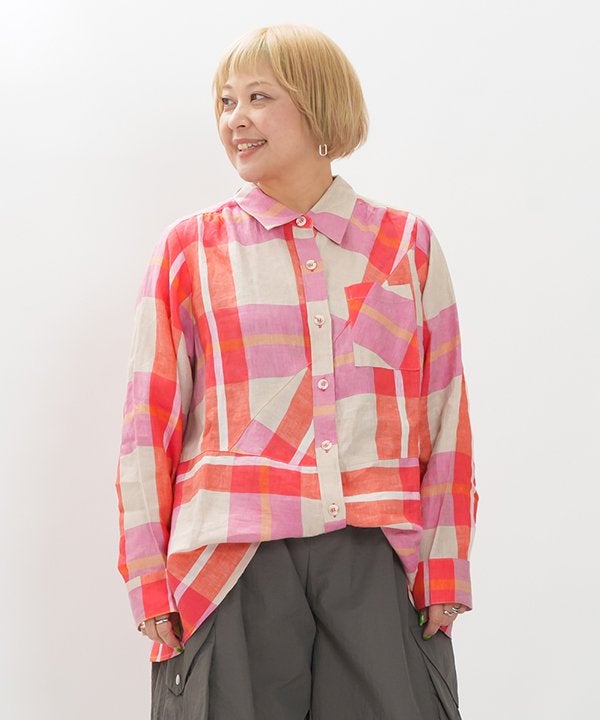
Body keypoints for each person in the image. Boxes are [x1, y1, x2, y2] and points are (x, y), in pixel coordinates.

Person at [116, 23, 478, 720]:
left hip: (377, 559)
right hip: (229, 561)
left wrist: (445, 563)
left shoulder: (406, 246)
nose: (236, 119)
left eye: (259, 97)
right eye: (226, 102)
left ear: (319, 106)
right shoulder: (191, 250)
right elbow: (147, 422)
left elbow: (445, 413)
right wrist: (147, 575)